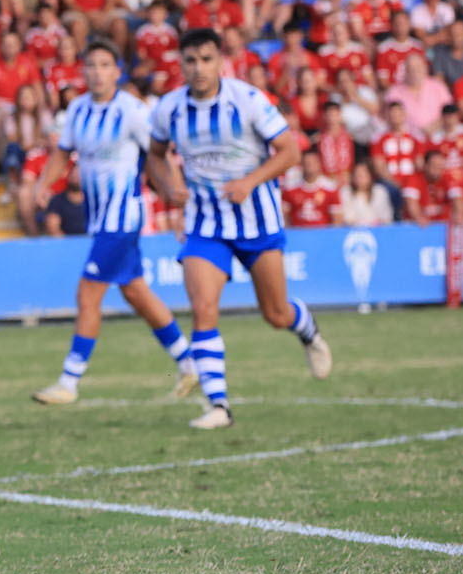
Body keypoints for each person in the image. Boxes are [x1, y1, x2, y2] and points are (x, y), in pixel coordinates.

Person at [145, 29, 333, 431]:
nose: (199, 68)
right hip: (204, 224)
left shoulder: (247, 100)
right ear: (181, 62)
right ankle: (219, 406)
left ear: (220, 62)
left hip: (256, 220)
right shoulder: (168, 109)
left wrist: (250, 181)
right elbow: (155, 156)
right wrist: (167, 187)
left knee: (276, 313)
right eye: (191, 60)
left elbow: (290, 150)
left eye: (207, 59)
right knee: (202, 308)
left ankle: (308, 330)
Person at [28, 41, 199, 406]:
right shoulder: (77, 109)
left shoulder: (133, 111)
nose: (96, 72)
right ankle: (188, 362)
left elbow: (159, 155)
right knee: (135, 292)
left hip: (123, 218)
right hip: (98, 217)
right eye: (90, 65)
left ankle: (69, 381)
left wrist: (174, 191)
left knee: (88, 292)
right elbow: (63, 152)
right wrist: (44, 183)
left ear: (116, 72)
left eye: (104, 65)